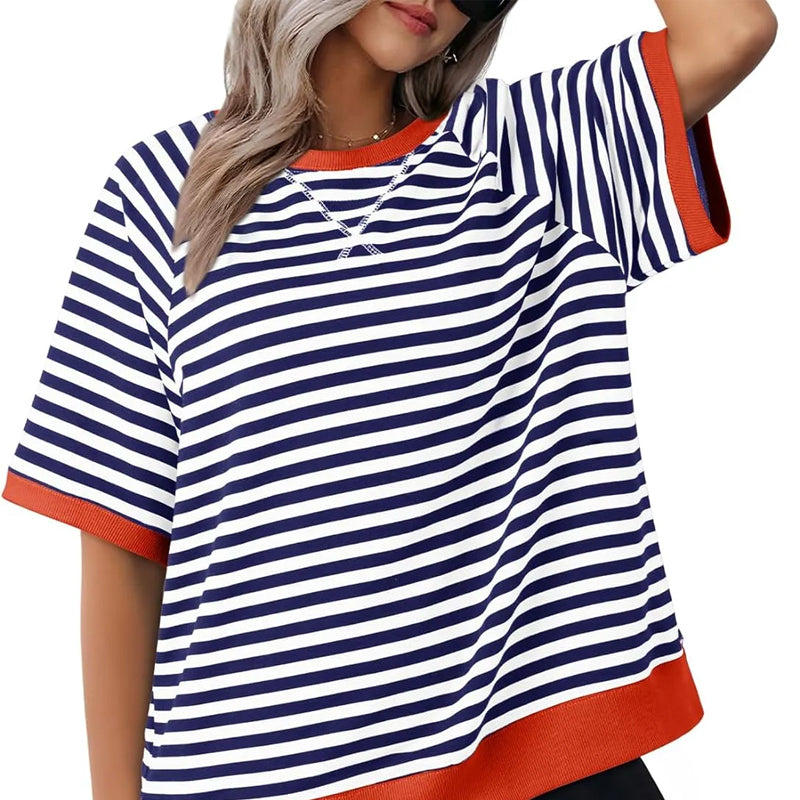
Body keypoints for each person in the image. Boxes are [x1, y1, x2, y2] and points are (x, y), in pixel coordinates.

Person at [1, 1, 778, 798]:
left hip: (539, 768)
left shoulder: (530, 152)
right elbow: (123, 540)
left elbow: (731, 32)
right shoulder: (158, 192)